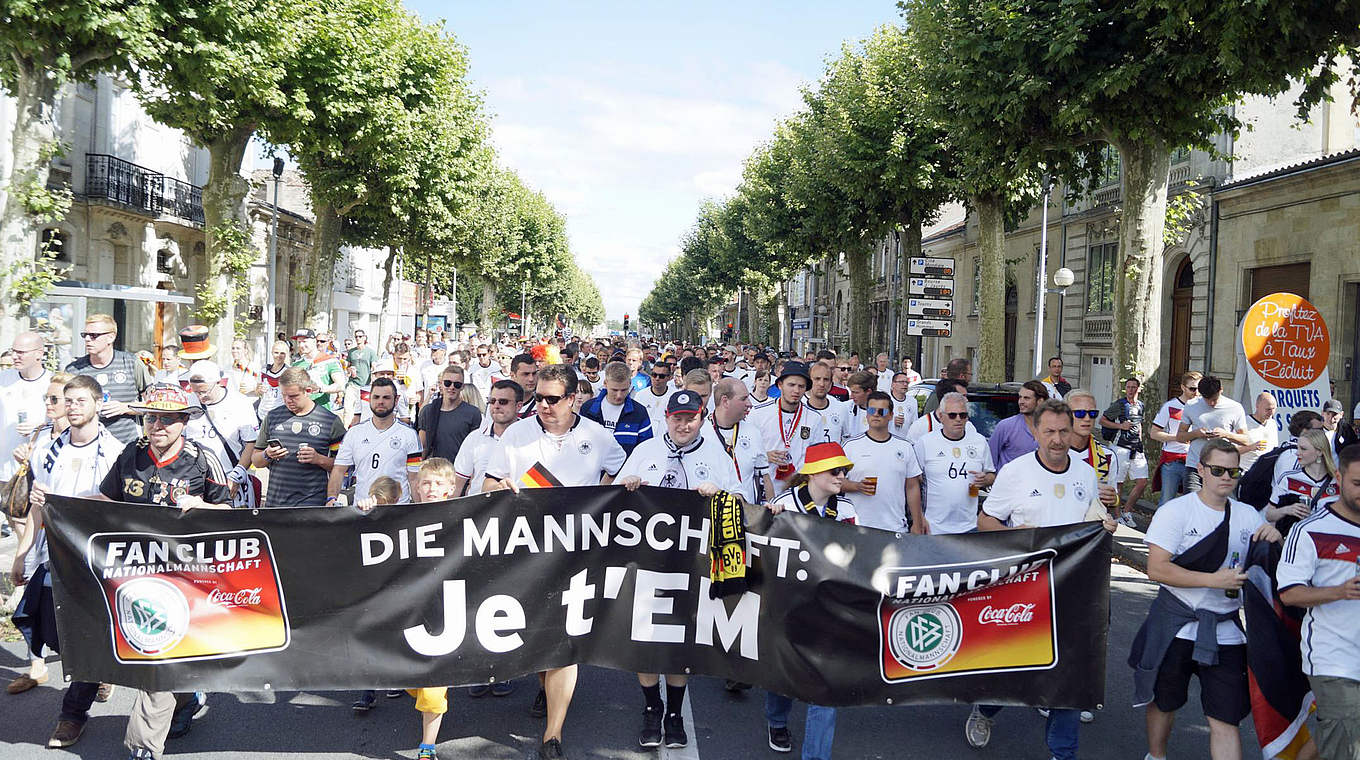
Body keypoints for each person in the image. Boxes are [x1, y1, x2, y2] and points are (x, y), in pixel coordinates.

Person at [482, 363, 626, 760]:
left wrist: (601, 498)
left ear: (573, 397)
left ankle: (553, 734)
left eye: (551, 399)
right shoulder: (517, 433)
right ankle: (545, 686)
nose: (542, 405)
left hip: (579, 552)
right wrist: (503, 486)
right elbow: (487, 483)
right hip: (526, 552)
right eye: (538, 398)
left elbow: (620, 473)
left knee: (565, 639)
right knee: (537, 634)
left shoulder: (597, 436)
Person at [968, 400, 1116, 757]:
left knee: (1069, 675)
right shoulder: (1016, 472)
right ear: (1034, 432)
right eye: (1048, 431)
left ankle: (1062, 753)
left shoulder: (1084, 473)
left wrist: (1105, 523)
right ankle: (986, 708)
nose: (1057, 439)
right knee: (1015, 671)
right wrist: (1018, 534)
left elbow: (1091, 522)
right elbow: (985, 522)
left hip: (1073, 590)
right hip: (1025, 590)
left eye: (1064, 430)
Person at [100, 384, 233, 760]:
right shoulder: (131, 454)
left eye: (166, 419)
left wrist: (200, 506)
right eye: (150, 418)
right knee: (161, 653)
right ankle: (177, 708)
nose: (157, 426)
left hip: (187, 575)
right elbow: (106, 502)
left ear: (184, 422)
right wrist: (58, 502)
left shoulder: (203, 459)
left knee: (166, 652)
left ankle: (148, 740)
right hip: (134, 572)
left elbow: (233, 514)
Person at [1133, 438, 1282, 760]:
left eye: (1233, 472)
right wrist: (1213, 580)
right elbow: (1157, 570)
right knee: (1164, 701)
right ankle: (1156, 756)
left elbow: (1267, 566)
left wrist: (1273, 535)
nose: (1226, 477)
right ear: (1201, 470)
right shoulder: (1176, 511)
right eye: (1218, 470)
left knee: (1226, 717)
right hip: (1177, 625)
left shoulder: (1248, 516)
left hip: (1225, 630)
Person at [616, 389, 741, 749]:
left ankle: (673, 712)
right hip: (647, 561)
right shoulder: (647, 451)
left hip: (691, 565)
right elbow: (616, 499)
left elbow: (741, 500)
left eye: (690, 417)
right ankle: (651, 707)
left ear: (702, 417)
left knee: (679, 642)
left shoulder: (716, 454)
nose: (683, 424)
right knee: (643, 637)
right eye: (677, 417)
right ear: (666, 418)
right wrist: (630, 487)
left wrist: (720, 493)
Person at [764, 441, 858, 758]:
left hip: (829, 607)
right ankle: (776, 720)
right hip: (789, 605)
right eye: (836, 469)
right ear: (814, 473)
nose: (842, 475)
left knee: (824, 689)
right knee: (783, 676)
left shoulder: (846, 510)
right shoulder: (784, 504)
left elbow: (855, 556)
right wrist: (770, 519)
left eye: (844, 470)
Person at [1277, 444, 1360, 760]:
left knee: (1338, 733)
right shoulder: (1310, 530)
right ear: (1338, 478)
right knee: (1347, 745)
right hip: (1333, 658)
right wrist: (1340, 591)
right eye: (1357, 483)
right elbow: (1289, 593)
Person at [6, 371, 72, 695]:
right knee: (33, 598)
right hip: (43, 531)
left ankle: (96, 672)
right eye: (47, 398)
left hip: (72, 537)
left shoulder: (87, 443)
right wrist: (22, 553)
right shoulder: (41, 437)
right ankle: (36, 665)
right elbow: (35, 501)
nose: (48, 404)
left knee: (72, 605)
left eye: (55, 399)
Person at [252, 368, 347, 508]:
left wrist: (318, 459)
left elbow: (343, 467)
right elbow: (256, 460)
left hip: (312, 506)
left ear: (308, 391)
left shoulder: (330, 421)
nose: (287, 400)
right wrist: (267, 454)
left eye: (293, 396)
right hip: (275, 505)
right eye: (284, 395)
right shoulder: (272, 417)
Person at [330, 377, 422, 505]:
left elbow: (414, 478)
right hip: (363, 508)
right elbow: (339, 469)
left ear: (396, 400)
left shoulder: (409, 434)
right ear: (369, 399)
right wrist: (331, 498)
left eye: (386, 398)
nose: (380, 402)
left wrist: (421, 511)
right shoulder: (354, 433)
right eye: (376, 397)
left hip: (398, 510)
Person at [913, 392, 994, 535]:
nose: (958, 419)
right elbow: (913, 484)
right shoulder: (925, 443)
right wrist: (918, 519)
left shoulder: (979, 441)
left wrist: (985, 479)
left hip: (969, 527)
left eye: (963, 415)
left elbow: (991, 475)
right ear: (941, 417)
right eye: (952, 415)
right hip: (933, 526)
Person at [842, 391, 923, 532]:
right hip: (856, 527)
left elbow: (912, 487)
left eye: (882, 411)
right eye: (872, 410)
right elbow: (835, 483)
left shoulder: (905, 447)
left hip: (894, 527)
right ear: (866, 414)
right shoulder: (850, 446)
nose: (876, 414)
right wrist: (857, 486)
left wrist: (917, 522)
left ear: (891, 415)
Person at [65, 313, 150, 443]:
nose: (87, 339)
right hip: (88, 445)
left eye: (94, 335)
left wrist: (126, 407)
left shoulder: (131, 363)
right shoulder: (74, 370)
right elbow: (63, 408)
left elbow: (153, 404)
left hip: (127, 445)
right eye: (85, 335)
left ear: (111, 337)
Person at [184, 360, 260, 506]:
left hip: (228, 476)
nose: (200, 397)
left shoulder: (240, 403)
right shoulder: (188, 401)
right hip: (195, 479)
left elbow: (251, 442)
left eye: (204, 391)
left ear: (218, 382)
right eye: (196, 392)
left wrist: (237, 474)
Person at [749, 362, 825, 491]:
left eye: (801, 386)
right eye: (791, 385)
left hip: (798, 491)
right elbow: (745, 452)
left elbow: (817, 457)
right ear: (780, 385)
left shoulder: (814, 418)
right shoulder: (758, 413)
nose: (796, 390)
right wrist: (765, 456)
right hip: (765, 489)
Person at [0, 332, 53, 516]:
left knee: (30, 520)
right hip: (5, 467)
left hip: (37, 468)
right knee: (14, 517)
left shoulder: (51, 383)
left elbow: (64, 421)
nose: (15, 356)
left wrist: (40, 426)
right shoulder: (4, 379)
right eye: (13, 351)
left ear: (39, 353)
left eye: (21, 352)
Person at [1178, 376, 1250, 492]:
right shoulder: (1191, 405)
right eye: (1207, 399)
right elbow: (1180, 436)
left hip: (1223, 469)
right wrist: (1196, 433)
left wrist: (1226, 434)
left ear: (1221, 390)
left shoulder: (1235, 408)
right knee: (1193, 506)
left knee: (1220, 507)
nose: (1211, 403)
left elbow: (1246, 440)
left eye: (1214, 399)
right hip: (1195, 466)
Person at [710, 378, 774, 507]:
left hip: (745, 517)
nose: (750, 404)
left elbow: (764, 478)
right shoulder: (702, 432)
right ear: (725, 401)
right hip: (710, 516)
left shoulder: (753, 432)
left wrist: (770, 510)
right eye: (743, 399)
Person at [453, 380, 522, 499]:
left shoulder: (530, 437)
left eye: (503, 402)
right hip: (479, 512)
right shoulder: (474, 438)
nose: (496, 406)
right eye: (492, 401)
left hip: (519, 511)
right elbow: (457, 483)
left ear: (518, 406)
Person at [1067, 388, 1125, 523]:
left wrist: (1113, 499)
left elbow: (1113, 495)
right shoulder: (1050, 454)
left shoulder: (1107, 455)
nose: (1087, 418)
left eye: (1092, 413)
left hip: (1092, 532)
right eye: (1080, 413)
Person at [1265, 429, 1340, 525]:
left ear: (1320, 452)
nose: (1297, 453)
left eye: (1303, 449)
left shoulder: (1338, 481)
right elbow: (1269, 515)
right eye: (1298, 448)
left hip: (1329, 538)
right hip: (1297, 538)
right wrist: (1288, 510)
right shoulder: (1288, 478)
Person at [1101, 377, 1150, 522]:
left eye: (1133, 387)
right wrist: (1120, 426)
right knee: (1118, 482)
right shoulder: (1119, 405)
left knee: (1142, 482)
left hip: (1136, 448)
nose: (1130, 390)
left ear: (1138, 389)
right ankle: (1117, 516)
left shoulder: (1141, 405)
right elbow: (1102, 420)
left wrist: (1140, 440)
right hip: (1120, 448)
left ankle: (1127, 511)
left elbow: (1139, 424)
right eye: (1128, 387)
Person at [580, 361, 654, 456]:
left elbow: (646, 449)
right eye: (614, 390)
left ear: (630, 384)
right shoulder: (588, 409)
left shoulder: (639, 412)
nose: (619, 395)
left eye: (624, 390)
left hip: (627, 469)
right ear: (605, 384)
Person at [1151, 371, 1201, 505]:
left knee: (1193, 502)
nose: (1196, 392)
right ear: (1183, 387)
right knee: (1167, 501)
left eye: (1199, 389)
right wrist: (1178, 437)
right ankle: (1160, 525)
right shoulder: (1170, 406)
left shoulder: (1202, 407)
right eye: (1192, 388)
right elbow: (1154, 433)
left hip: (1195, 461)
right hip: (1173, 460)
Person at [417, 364, 482, 462]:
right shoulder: (428, 411)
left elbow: (475, 449)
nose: (452, 387)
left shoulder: (473, 413)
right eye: (447, 383)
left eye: (457, 384)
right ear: (441, 385)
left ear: (462, 387)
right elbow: (423, 446)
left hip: (460, 471)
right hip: (433, 470)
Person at [989, 380, 1049, 471]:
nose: (1021, 402)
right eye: (1020, 397)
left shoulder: (1051, 429)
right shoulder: (1006, 426)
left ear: (1040, 401)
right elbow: (989, 461)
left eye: (1026, 398)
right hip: (1009, 483)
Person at [291, 328, 346, 410]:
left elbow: (340, 385)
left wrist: (320, 389)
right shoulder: (296, 364)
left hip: (321, 413)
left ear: (314, 341)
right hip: (299, 412)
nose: (301, 345)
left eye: (304, 341)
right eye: (299, 342)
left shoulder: (329, 361)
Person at [804, 362, 849, 443]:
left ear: (831, 383)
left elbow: (847, 440)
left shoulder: (841, 408)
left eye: (826, 379)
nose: (821, 384)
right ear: (809, 381)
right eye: (817, 379)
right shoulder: (800, 408)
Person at [1238, 391, 1279, 472]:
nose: (1271, 413)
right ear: (1257, 406)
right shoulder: (1243, 423)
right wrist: (1250, 447)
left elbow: (1274, 448)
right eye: (1268, 409)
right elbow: (1230, 451)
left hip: (1265, 472)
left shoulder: (1272, 423)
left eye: (1273, 409)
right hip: (1246, 471)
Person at [345, 328, 378, 422]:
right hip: (352, 384)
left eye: (360, 336)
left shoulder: (370, 352)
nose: (358, 338)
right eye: (356, 337)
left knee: (364, 411)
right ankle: (346, 431)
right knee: (348, 409)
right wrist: (349, 370)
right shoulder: (351, 352)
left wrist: (373, 375)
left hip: (365, 385)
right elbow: (347, 367)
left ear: (364, 338)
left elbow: (374, 367)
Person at [632, 359, 676, 427]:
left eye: (661, 376)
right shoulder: (640, 395)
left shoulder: (675, 396)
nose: (657, 378)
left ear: (669, 377)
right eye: (654, 375)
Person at [258, 339, 291, 421]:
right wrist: (259, 390)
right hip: (262, 413)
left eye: (282, 353)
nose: (279, 356)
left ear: (286, 354)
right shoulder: (264, 369)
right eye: (276, 352)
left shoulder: (289, 371)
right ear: (272, 353)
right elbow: (258, 390)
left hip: (280, 415)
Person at [841, 371, 877, 440]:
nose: (851, 396)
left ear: (868, 392)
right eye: (851, 392)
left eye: (856, 392)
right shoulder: (844, 407)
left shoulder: (882, 411)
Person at [887, 372, 918, 439]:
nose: (905, 384)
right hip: (888, 440)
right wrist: (892, 421)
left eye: (907, 382)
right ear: (893, 384)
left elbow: (914, 424)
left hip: (905, 441)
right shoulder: (885, 399)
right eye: (901, 382)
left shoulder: (913, 401)